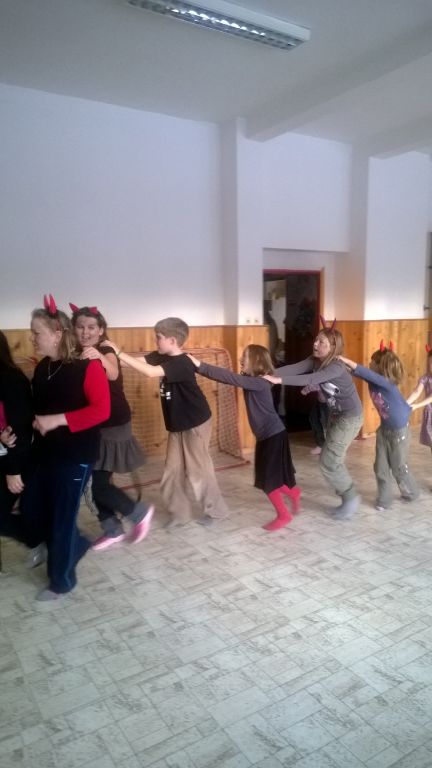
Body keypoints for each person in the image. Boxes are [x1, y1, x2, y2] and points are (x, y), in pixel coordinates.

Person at [20, 295, 112, 601]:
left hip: (75, 456)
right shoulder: (43, 368)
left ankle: (61, 581)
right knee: (33, 510)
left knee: (61, 518)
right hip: (44, 454)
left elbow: (101, 411)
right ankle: (78, 543)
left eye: (36, 333)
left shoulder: (88, 367)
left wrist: (57, 420)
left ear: (57, 334)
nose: (32, 338)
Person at [105, 317, 228, 526]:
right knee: (172, 470)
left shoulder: (183, 362)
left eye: (158, 337)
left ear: (172, 341)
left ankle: (216, 512)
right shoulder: (160, 355)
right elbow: (133, 363)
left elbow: (149, 372)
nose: (155, 341)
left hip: (195, 422)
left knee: (198, 470)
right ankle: (180, 515)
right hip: (177, 424)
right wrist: (106, 356)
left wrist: (117, 352)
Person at [188, 345, 301, 531]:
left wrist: (199, 365)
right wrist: (197, 366)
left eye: (245, 357)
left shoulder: (259, 382)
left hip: (273, 435)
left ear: (256, 361)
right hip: (267, 437)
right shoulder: (253, 380)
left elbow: (229, 377)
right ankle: (294, 493)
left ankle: (284, 515)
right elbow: (231, 377)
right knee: (267, 477)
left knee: (268, 481)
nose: (241, 359)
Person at [71, 304, 153, 550]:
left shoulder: (105, 348)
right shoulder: (77, 351)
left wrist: (100, 358)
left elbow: (113, 372)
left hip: (113, 425)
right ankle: (112, 528)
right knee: (93, 482)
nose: (85, 332)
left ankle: (136, 513)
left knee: (97, 482)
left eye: (91, 327)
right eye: (80, 327)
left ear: (101, 330)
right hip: (93, 424)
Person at [265, 328, 363, 520]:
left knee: (329, 461)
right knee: (331, 460)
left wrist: (277, 380)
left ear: (333, 347)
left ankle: (351, 498)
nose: (315, 344)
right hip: (337, 416)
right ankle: (347, 497)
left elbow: (311, 378)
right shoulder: (315, 360)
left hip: (350, 418)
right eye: (316, 340)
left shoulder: (336, 366)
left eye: (321, 342)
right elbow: (294, 368)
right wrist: (266, 374)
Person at [340, 343, 419, 510]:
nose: (369, 363)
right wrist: (339, 364)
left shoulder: (386, 383)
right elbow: (357, 372)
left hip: (400, 432)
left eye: (372, 361)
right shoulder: (373, 381)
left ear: (379, 366)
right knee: (380, 467)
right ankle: (384, 500)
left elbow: (363, 371)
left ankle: (412, 492)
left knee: (398, 467)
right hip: (384, 430)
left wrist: (345, 359)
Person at [0, 330, 35, 547]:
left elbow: (20, 431)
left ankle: (40, 539)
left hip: (12, 461)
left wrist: (13, 471)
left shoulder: (11, 379)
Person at [407, 345, 432, 452]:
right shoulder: (426, 378)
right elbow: (417, 392)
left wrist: (417, 405)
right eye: (431, 362)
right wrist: (405, 403)